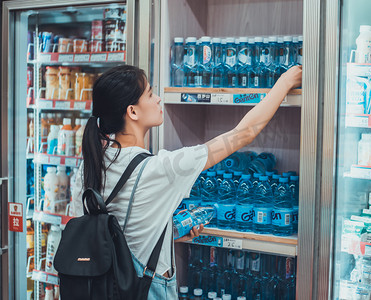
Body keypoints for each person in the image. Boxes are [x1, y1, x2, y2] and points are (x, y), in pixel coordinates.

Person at [72, 64, 302, 299]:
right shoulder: (159, 169)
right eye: (150, 94)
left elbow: (110, 232)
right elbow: (244, 134)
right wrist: (284, 82)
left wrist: (167, 233)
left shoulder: (89, 165)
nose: (159, 99)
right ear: (132, 111)